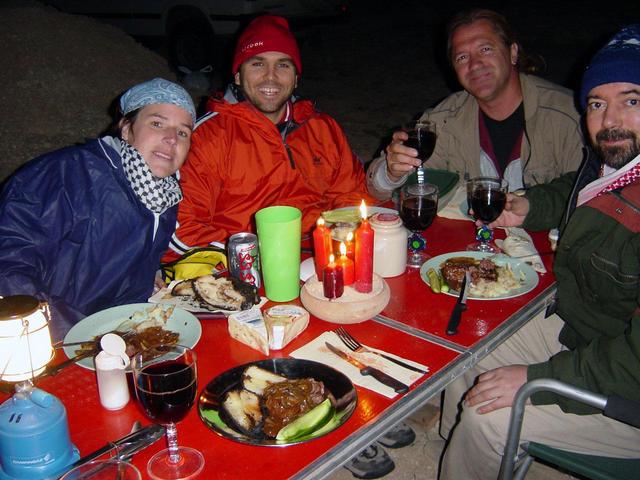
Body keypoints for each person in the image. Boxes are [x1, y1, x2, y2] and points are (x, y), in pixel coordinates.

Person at [439, 24, 640, 479]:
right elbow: (579, 187)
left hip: (627, 393)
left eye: (631, 100)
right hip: (590, 331)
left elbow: (633, 367)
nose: (611, 120)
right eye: (597, 103)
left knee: (488, 414)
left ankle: (476, 443)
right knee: (470, 344)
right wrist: (528, 206)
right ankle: (457, 442)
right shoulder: (622, 168)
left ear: (513, 53)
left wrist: (538, 380)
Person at [164, 15, 374, 261]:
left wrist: (339, 237)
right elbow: (181, 231)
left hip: (321, 256)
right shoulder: (207, 137)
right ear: (238, 76)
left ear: (296, 79)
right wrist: (256, 254)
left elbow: (350, 195)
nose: (271, 76)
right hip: (242, 267)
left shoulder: (322, 128)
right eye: (257, 64)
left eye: (283, 65)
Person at [0, 78, 196, 341]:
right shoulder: (62, 175)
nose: (171, 139)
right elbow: (9, 270)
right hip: (48, 342)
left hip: (118, 334)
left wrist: (151, 277)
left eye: (183, 132)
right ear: (126, 129)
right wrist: (79, 337)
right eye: (157, 124)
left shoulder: (165, 195)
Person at [366, 8, 584, 200]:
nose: (475, 64)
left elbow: (592, 196)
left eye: (485, 49)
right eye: (462, 57)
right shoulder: (443, 120)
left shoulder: (568, 116)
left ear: (512, 53)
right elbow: (378, 188)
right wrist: (391, 173)